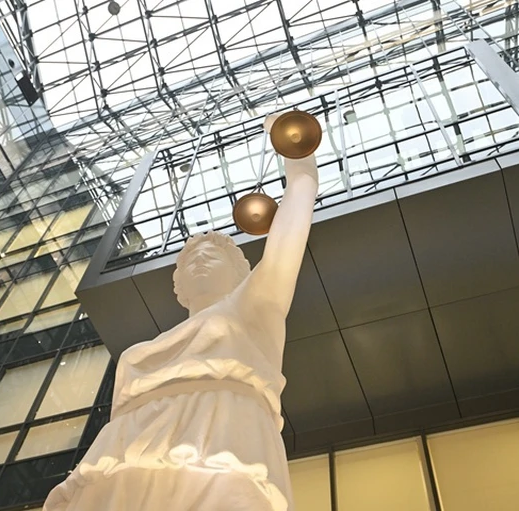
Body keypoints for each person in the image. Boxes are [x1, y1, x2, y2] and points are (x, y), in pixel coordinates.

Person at [44, 113, 319, 511]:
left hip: (223, 437)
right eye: (190, 259)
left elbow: (288, 237)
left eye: (211, 255)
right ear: (178, 286)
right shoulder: (145, 350)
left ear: (241, 275)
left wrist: (301, 170)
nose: (199, 261)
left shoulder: (251, 308)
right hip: (125, 452)